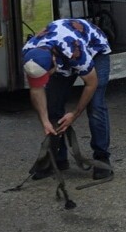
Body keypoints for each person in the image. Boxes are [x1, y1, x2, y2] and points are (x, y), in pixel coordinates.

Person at [21, 18, 114, 181]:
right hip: (61, 55)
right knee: (53, 107)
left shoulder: (73, 50)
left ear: (54, 63)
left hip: (94, 49)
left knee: (95, 106)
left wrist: (75, 114)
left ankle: (101, 158)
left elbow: (91, 84)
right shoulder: (29, 53)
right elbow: (36, 90)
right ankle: (58, 158)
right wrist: (45, 121)